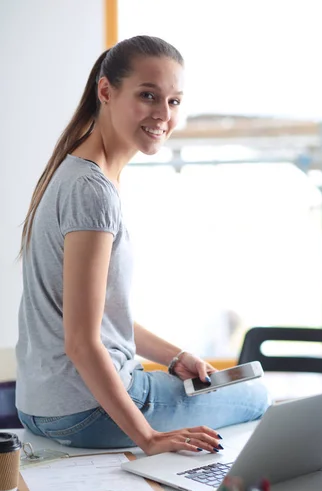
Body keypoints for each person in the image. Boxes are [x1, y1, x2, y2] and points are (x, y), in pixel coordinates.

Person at [16, 35, 268, 453]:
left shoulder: (74, 173)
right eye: (148, 96)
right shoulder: (91, 189)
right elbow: (81, 341)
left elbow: (96, 316)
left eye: (173, 102)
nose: (162, 115)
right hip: (85, 410)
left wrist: (174, 356)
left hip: (40, 408)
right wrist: (148, 437)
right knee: (258, 395)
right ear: (105, 91)